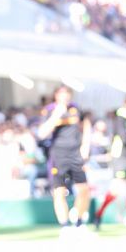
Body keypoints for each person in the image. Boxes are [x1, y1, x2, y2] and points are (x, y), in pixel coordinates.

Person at [38, 85, 91, 231]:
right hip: (58, 155)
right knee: (59, 191)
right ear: (56, 95)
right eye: (61, 94)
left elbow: (86, 124)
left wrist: (85, 145)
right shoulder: (49, 110)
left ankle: (79, 221)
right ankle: (65, 226)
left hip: (75, 154)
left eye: (67, 93)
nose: (65, 97)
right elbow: (42, 133)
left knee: (84, 189)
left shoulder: (76, 108)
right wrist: (56, 115)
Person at [94, 95, 126, 229]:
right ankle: (99, 213)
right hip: (120, 158)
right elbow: (125, 138)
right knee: (116, 190)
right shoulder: (119, 118)